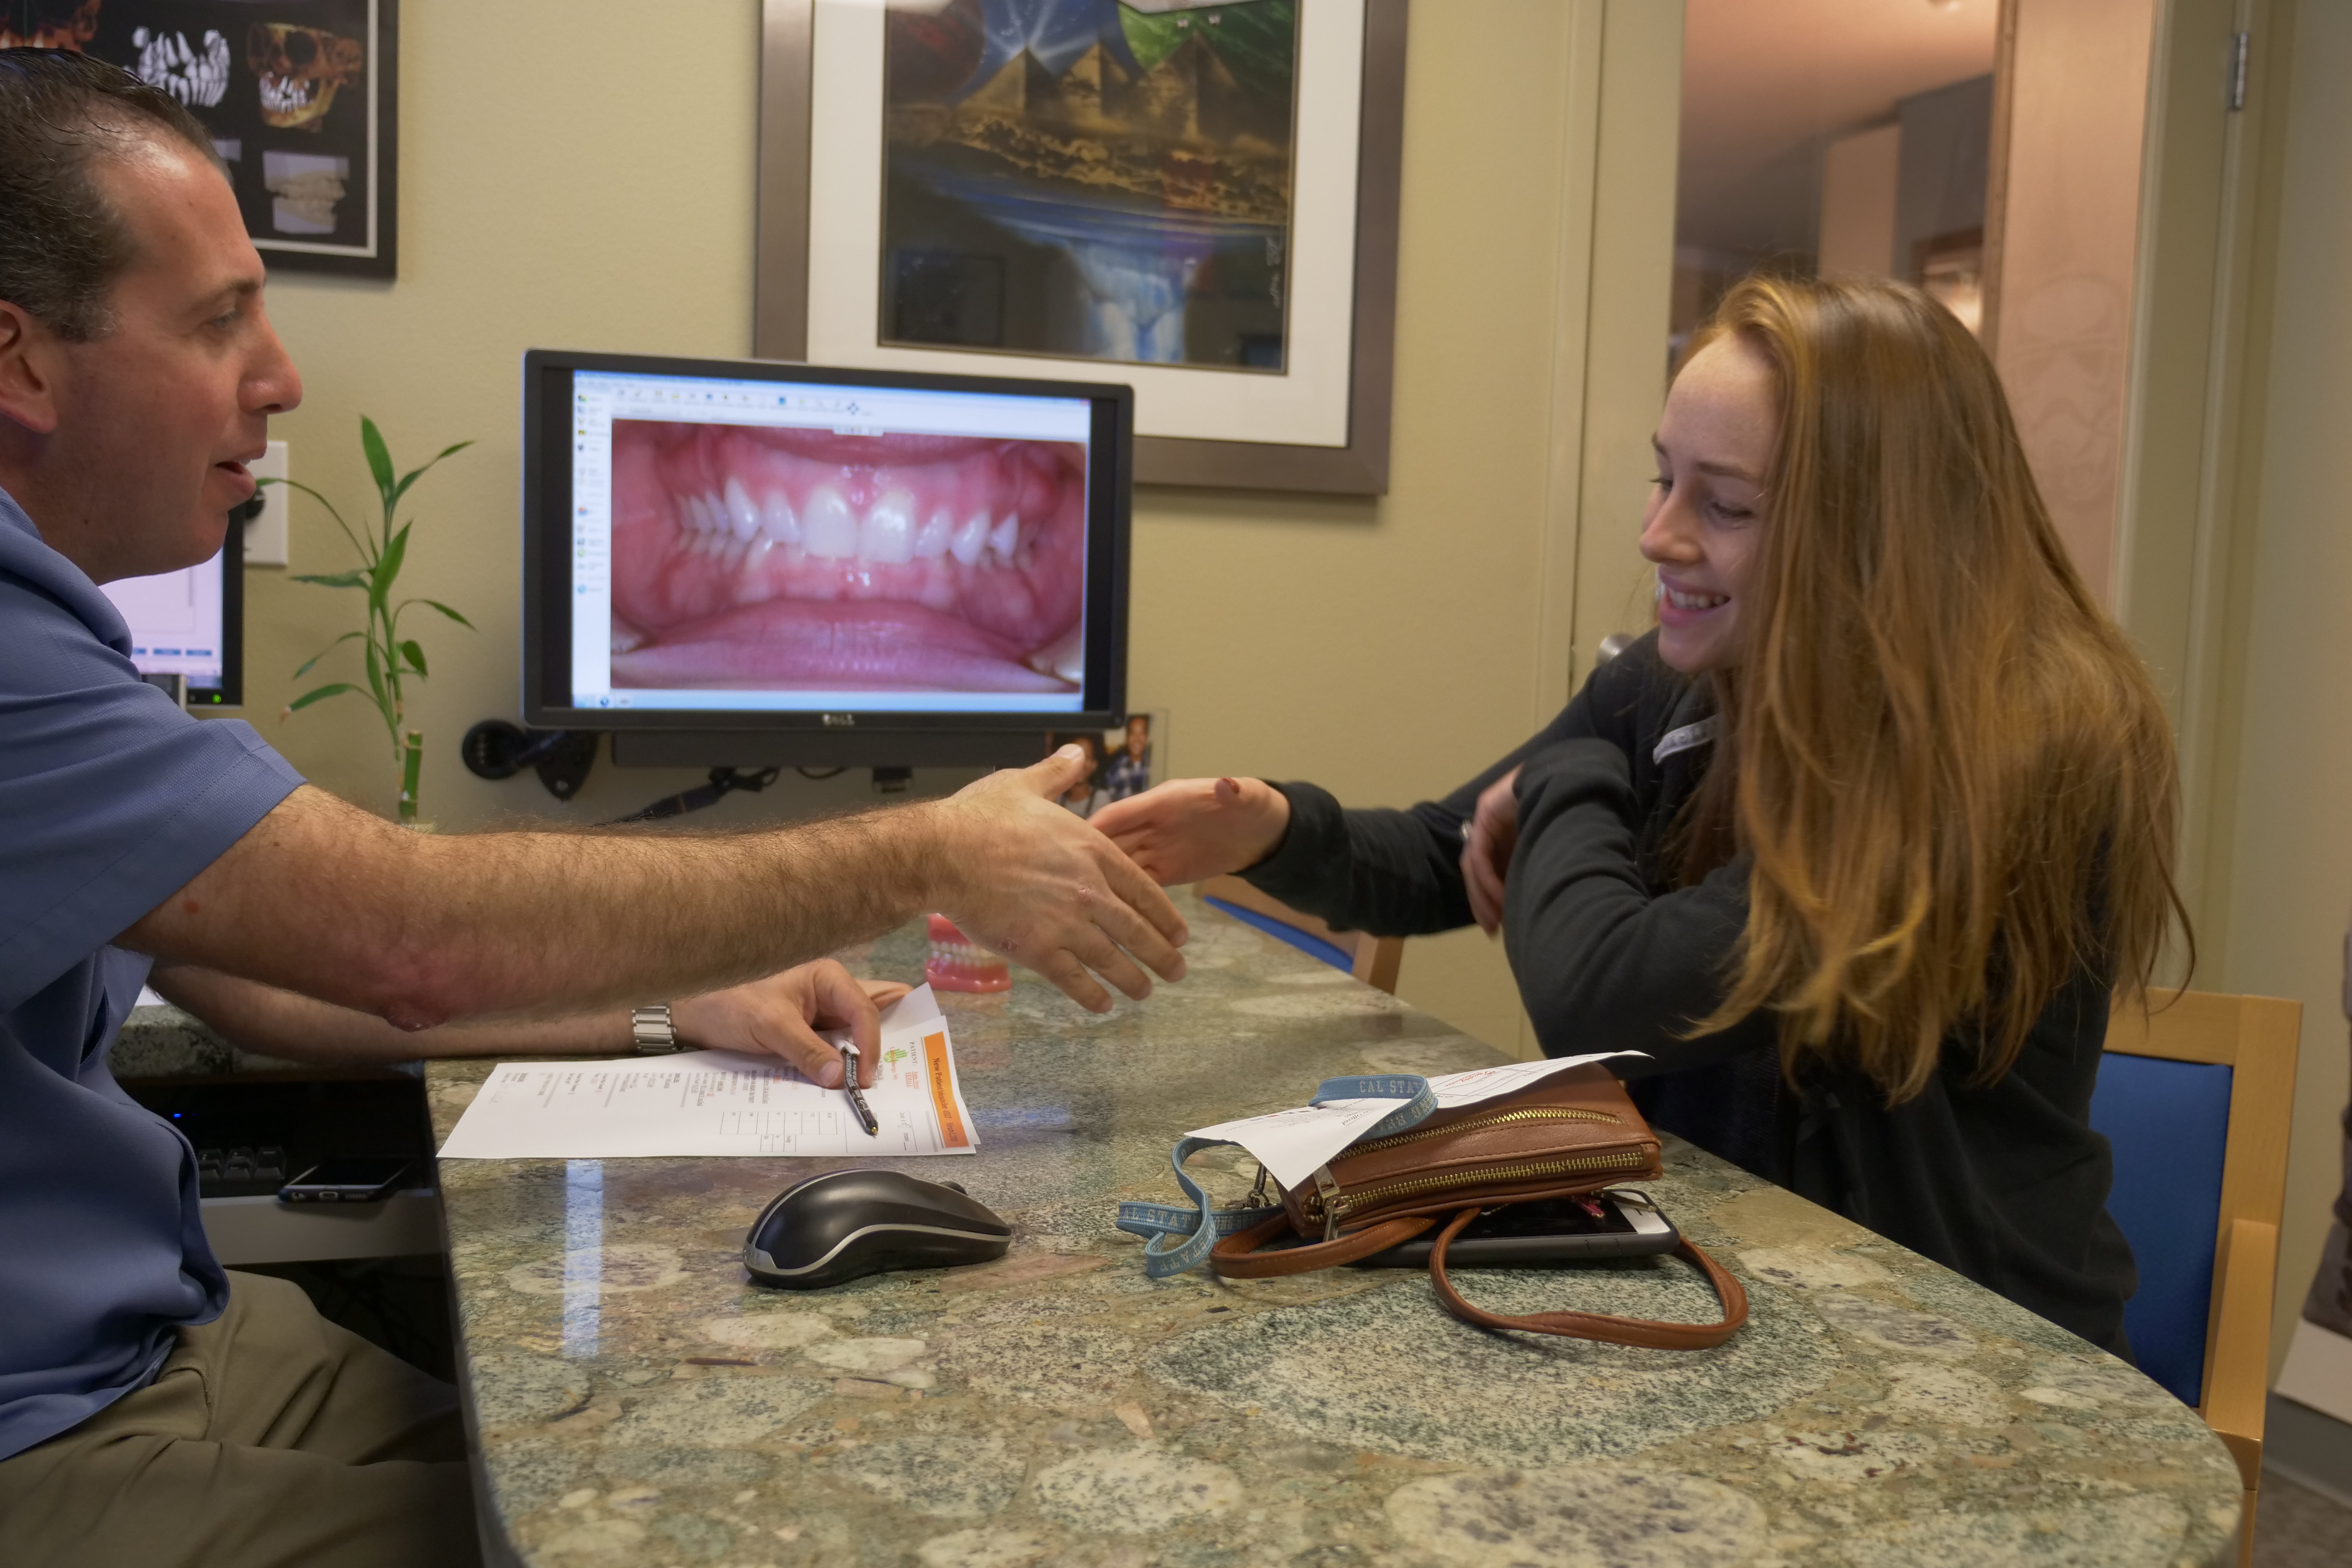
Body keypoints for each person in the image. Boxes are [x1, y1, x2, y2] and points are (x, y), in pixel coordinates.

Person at [0, 49, 1187, 1567]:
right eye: (221, 317)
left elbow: (262, 983)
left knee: (621, 1474)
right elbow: (399, 937)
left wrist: (669, 1006)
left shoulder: (60, 628)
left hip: (154, 1339)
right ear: (23, 362)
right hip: (43, 1426)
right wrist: (928, 847)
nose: (281, 373)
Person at [1095, 273, 2187, 1360]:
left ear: (1875, 536)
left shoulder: (1999, 750)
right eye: (1663, 480)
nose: (1656, 535)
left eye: (1725, 505)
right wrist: (1280, 828)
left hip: (1963, 1341)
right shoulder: (1704, 676)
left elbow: (1603, 989)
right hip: (1751, 1285)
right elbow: (1453, 850)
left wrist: (1560, 775)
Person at [1102, 714, 1152, 802]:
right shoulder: (1114, 770)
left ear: (1147, 738)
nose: (1137, 739)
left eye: (1142, 733)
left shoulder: (1154, 767)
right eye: (1133, 733)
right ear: (1127, 738)